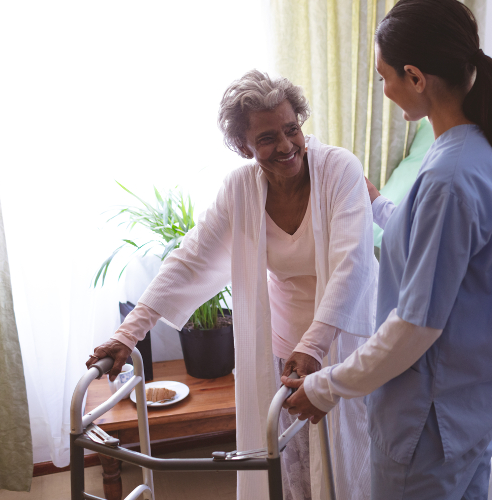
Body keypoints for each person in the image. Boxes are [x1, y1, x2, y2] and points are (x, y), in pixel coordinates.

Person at [282, 0, 492, 498]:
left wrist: (327, 386)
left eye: (385, 77)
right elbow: (437, 243)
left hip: (430, 420)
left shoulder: (449, 176)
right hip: (469, 409)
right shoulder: (476, 150)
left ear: (416, 78)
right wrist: (377, 203)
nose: (383, 90)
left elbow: (415, 326)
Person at [85, 70, 376, 500]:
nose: (285, 145)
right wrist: (128, 333)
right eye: (267, 138)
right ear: (243, 147)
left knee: (347, 458)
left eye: (291, 129)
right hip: (283, 344)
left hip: (345, 337)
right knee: (288, 460)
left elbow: (351, 265)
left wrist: (314, 346)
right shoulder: (240, 188)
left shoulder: (339, 170)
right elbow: (190, 258)